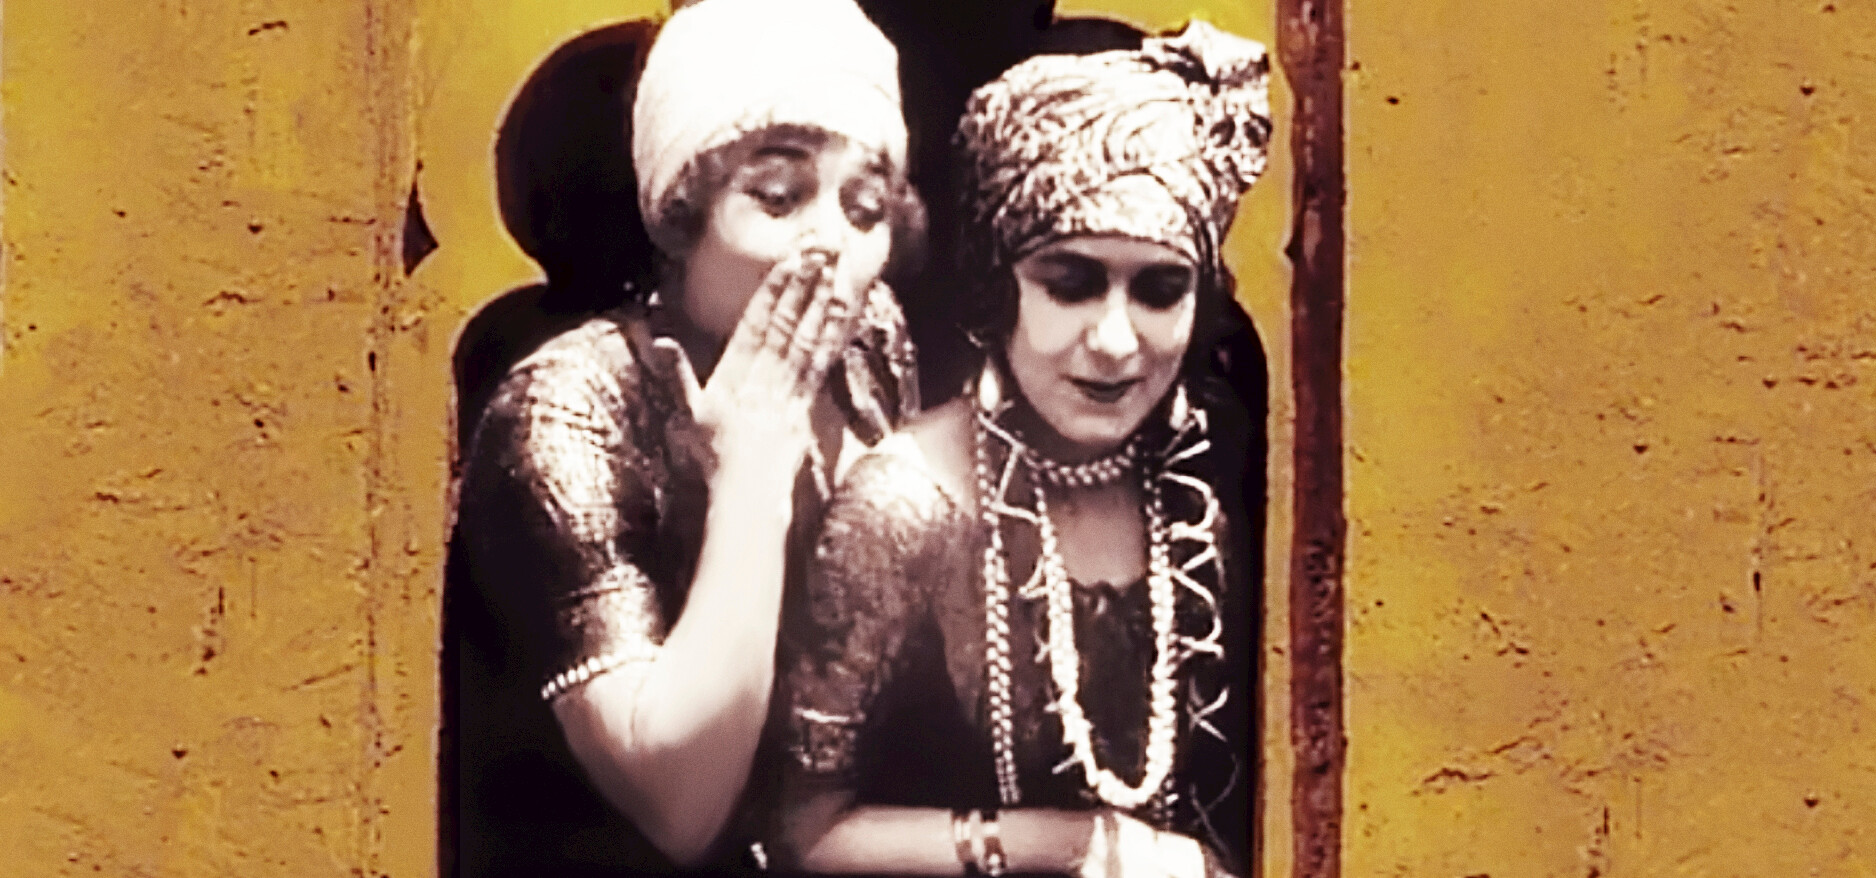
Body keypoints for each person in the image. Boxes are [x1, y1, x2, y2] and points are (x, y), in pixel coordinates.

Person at [774, 20, 1275, 878]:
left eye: (1160, 291)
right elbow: (800, 834)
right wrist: (1078, 846)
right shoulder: (906, 507)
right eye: (1070, 284)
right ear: (995, 285)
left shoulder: (1212, 485)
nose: (1115, 341)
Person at [453, 0, 919, 871]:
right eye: (779, 197)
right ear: (680, 212)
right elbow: (681, 804)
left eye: (865, 209)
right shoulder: (568, 407)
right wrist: (752, 476)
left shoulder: (871, 347)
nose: (831, 244)